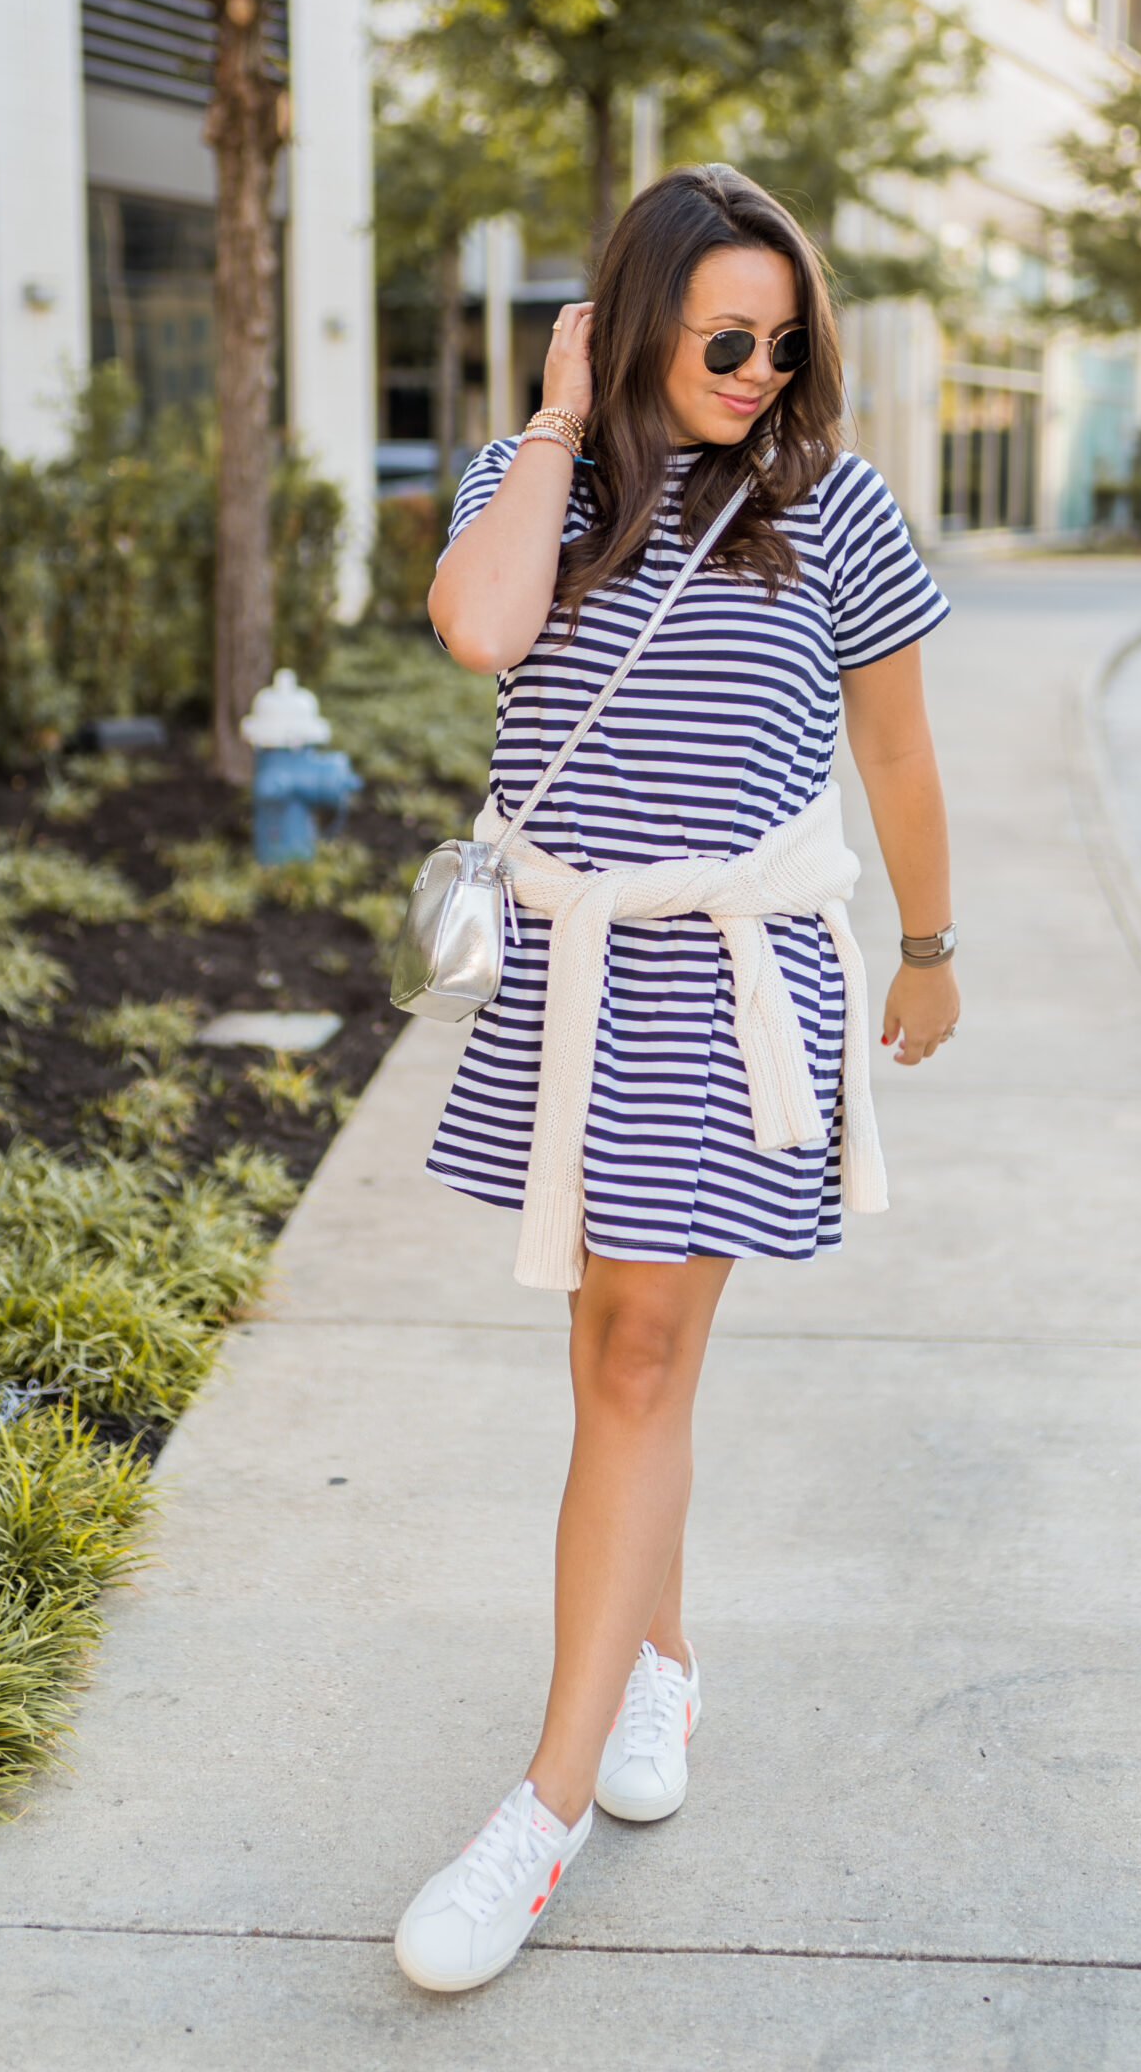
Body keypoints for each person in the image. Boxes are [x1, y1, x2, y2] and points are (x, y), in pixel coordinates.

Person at [394, 164, 958, 1994]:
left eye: (784, 345)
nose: (757, 374)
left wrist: (931, 946)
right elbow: (479, 630)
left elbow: (897, 752)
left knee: (638, 1353)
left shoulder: (833, 502)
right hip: (572, 978)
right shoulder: (534, 480)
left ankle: (538, 1814)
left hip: (734, 985)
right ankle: (661, 1662)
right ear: (635, 323)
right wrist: (559, 422)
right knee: (615, 1358)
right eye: (725, 340)